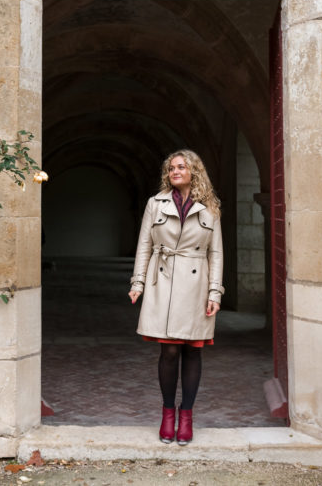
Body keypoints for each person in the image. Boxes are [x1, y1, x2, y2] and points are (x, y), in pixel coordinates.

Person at [128, 149, 224, 445]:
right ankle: (168, 413)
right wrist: (138, 282)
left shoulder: (210, 207)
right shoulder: (155, 204)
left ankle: (187, 416)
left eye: (181, 167)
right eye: (171, 168)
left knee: (192, 351)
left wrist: (215, 292)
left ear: (194, 170)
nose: (175, 172)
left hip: (197, 287)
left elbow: (216, 252)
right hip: (164, 283)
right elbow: (144, 244)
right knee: (169, 351)